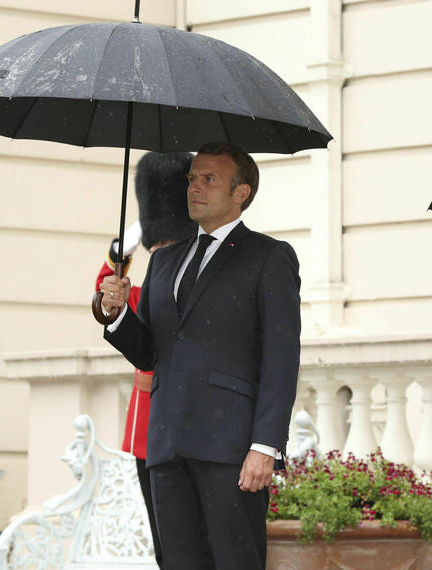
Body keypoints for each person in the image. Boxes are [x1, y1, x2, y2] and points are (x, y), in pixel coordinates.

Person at [98, 142, 301, 569]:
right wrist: (116, 315)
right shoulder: (164, 261)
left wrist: (265, 447)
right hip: (167, 446)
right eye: (193, 179)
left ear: (241, 192)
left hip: (231, 449)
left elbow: (281, 361)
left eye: (209, 179)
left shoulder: (269, 256)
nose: (195, 188)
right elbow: (152, 352)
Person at [94, 151, 196, 568]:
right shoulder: (148, 273)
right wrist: (120, 254)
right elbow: (109, 303)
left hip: (193, 418)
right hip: (148, 424)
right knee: (165, 542)